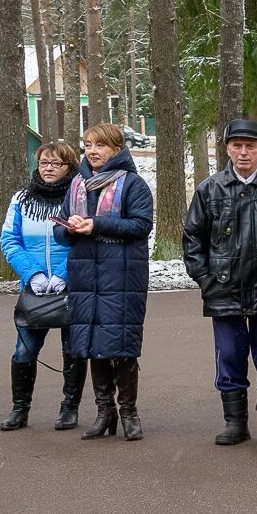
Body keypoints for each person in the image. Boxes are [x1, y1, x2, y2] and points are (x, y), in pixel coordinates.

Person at [183, 119, 257, 447]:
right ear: (227, 149)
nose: (243, 152)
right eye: (237, 145)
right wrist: (206, 280)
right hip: (224, 291)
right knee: (230, 357)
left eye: (250, 146)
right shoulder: (209, 189)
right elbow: (192, 239)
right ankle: (235, 422)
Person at [59, 123, 153, 441]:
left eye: (100, 145)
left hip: (122, 276)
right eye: (87, 145)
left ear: (116, 149)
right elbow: (60, 230)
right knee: (92, 344)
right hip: (86, 276)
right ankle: (104, 411)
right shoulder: (76, 184)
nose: (92, 151)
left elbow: (141, 225)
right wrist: (68, 227)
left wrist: (96, 224)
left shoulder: (133, 184)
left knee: (122, 345)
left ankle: (129, 412)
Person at [0, 140, 85, 432]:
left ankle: (69, 408)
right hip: (33, 288)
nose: (49, 168)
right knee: (24, 351)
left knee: (72, 350)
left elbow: (83, 241)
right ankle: (19, 409)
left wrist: (64, 274)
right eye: (44, 162)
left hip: (70, 286)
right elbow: (10, 240)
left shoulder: (79, 197)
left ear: (69, 166)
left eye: (56, 163)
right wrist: (33, 273)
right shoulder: (21, 199)